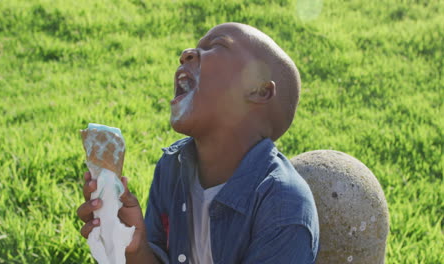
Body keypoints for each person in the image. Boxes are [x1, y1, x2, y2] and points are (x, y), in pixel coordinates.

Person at [77, 22, 319, 264]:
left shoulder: (284, 206)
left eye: (217, 45)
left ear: (258, 90)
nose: (186, 54)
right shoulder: (172, 168)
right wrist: (133, 250)